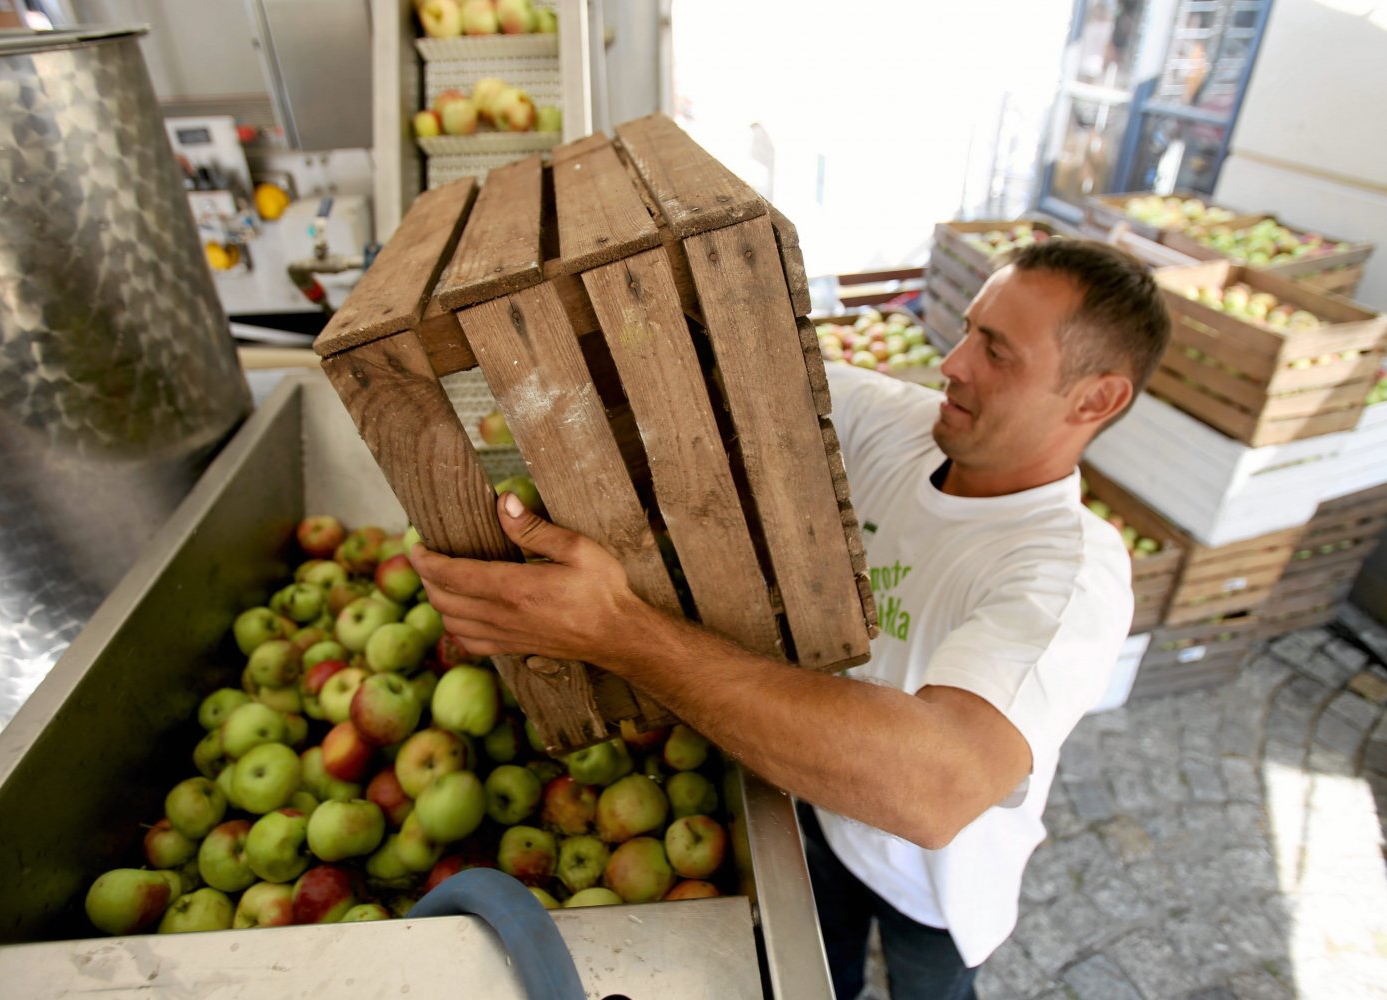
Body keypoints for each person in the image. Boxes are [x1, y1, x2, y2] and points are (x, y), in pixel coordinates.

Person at [407, 238, 1172, 999]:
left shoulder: (1070, 578)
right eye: (969, 330)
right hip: (816, 807)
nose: (953, 363)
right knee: (821, 973)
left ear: (1096, 398)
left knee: (932, 986)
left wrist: (615, 629)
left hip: (933, 884)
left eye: (997, 352)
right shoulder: (896, 425)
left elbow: (935, 791)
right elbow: (722, 378)